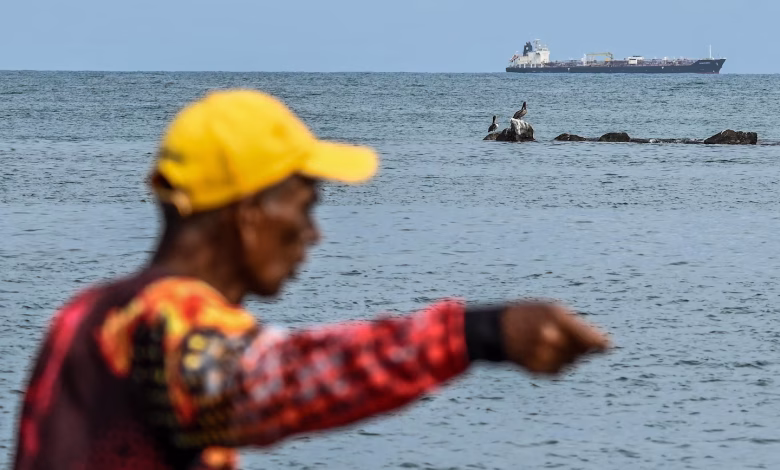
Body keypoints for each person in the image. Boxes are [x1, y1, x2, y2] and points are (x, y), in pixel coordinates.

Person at [13, 89, 610, 470]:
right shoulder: (167, 323)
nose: (313, 233)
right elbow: (281, 379)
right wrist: (479, 333)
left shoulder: (83, 313)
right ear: (246, 215)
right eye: (303, 207)